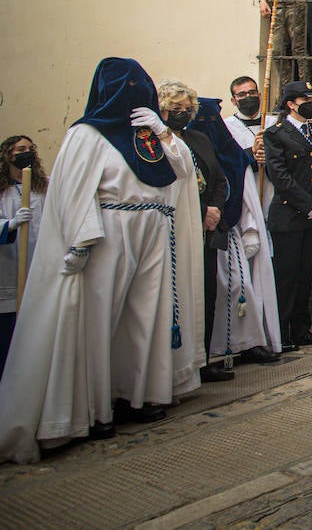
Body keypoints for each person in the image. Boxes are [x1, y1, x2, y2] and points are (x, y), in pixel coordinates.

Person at [0, 58, 201, 463]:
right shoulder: (87, 133)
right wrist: (80, 238)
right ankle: (95, 408)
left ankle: (140, 393)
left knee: (147, 315)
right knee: (99, 319)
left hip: (155, 228)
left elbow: (182, 171)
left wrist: (164, 132)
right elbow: (74, 189)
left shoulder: (150, 134)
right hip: (110, 229)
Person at [190, 99, 281, 366]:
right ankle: (210, 352)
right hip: (202, 234)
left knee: (240, 287)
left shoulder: (226, 147)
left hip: (231, 230)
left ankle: (245, 343)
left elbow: (236, 170)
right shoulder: (189, 146)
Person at [160, 79, 232, 384]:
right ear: (162, 109)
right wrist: (201, 211)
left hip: (208, 225)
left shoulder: (199, 139)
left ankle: (201, 359)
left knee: (206, 292)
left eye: (187, 109)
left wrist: (214, 209)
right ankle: (175, 362)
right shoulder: (157, 143)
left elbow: (217, 177)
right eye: (175, 108)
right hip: (179, 227)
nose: (182, 113)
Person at [263, 81, 312, 352]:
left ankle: (301, 329)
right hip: (289, 215)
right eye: (306, 99)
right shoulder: (276, 134)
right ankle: (282, 333)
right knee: (287, 276)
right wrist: (309, 206)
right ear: (291, 103)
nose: (311, 103)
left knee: (306, 274)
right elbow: (280, 178)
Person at [0, 135, 45, 378]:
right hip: (8, 270)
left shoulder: (44, 187)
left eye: (30, 148)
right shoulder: (2, 190)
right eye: (20, 149)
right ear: (8, 155)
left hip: (37, 267)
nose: (27, 152)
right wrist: (10, 224)